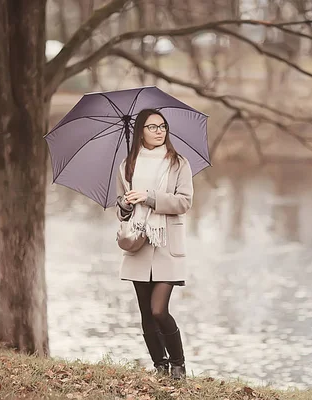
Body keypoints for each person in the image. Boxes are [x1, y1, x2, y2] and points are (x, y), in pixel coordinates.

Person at [115, 108, 193, 380]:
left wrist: (149, 197)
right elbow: (121, 209)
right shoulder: (127, 166)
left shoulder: (178, 163)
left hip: (166, 243)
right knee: (146, 312)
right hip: (139, 244)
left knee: (159, 309)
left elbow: (184, 202)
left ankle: (178, 365)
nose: (160, 131)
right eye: (153, 127)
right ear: (140, 132)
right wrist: (124, 204)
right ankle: (159, 366)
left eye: (163, 126)